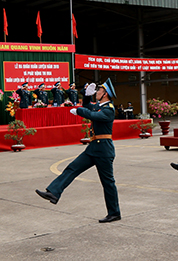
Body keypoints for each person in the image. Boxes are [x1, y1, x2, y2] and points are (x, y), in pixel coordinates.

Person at [35, 79, 122, 223]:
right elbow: (89, 106)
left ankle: (114, 213)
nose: (97, 92)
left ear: (105, 94)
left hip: (104, 150)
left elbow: (94, 115)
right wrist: (87, 96)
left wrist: (80, 111)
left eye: (99, 91)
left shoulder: (109, 109)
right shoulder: (100, 106)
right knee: (72, 168)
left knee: (108, 183)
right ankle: (53, 192)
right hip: (93, 148)